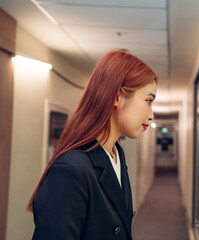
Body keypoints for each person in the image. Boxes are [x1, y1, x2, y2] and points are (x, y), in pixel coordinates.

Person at [28, 50, 158, 240]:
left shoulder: (116, 155)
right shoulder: (71, 170)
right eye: (148, 101)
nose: (151, 114)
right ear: (116, 96)